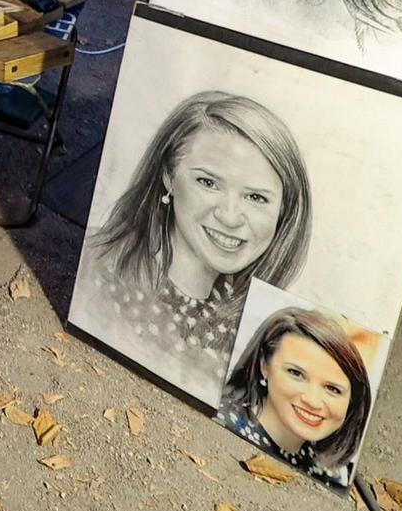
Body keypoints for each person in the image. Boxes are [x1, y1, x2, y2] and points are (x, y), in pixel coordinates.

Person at [82, 91, 312, 401]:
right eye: (208, 182)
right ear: (168, 177)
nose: (230, 217)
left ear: (283, 211)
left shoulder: (268, 337)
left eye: (256, 197)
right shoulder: (97, 272)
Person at [215, 307, 374, 487]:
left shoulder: (333, 473)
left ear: (353, 400)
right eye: (296, 373)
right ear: (264, 366)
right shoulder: (219, 422)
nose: (313, 401)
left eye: (332, 389)